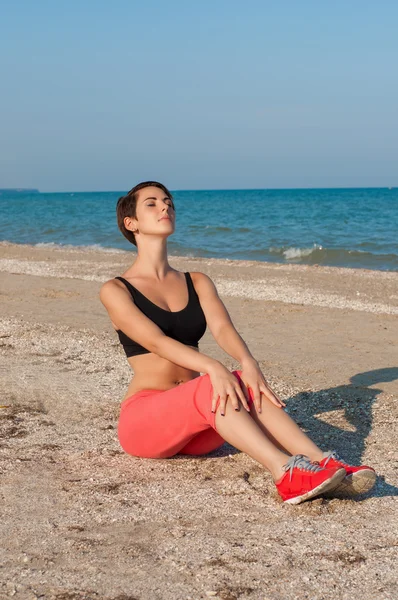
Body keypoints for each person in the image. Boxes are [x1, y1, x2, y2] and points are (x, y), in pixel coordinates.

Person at [100, 181, 376, 505]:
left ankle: (322, 462)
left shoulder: (197, 281)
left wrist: (249, 363)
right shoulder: (116, 289)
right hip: (146, 423)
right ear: (130, 223)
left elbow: (222, 328)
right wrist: (212, 366)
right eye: (152, 203)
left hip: (198, 429)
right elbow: (156, 341)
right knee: (213, 382)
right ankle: (285, 473)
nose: (165, 207)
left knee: (243, 380)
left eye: (168, 201)